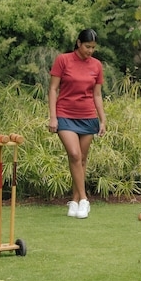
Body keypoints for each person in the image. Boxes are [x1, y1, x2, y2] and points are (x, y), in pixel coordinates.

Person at [48, 29, 106, 218]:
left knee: (81, 160)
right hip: (65, 114)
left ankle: (74, 202)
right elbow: (53, 89)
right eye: (87, 46)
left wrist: (103, 119)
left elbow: (97, 95)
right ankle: (84, 199)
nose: (90, 51)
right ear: (78, 43)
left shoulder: (96, 65)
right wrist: (53, 117)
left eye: (93, 48)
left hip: (88, 117)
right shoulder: (63, 60)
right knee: (74, 154)